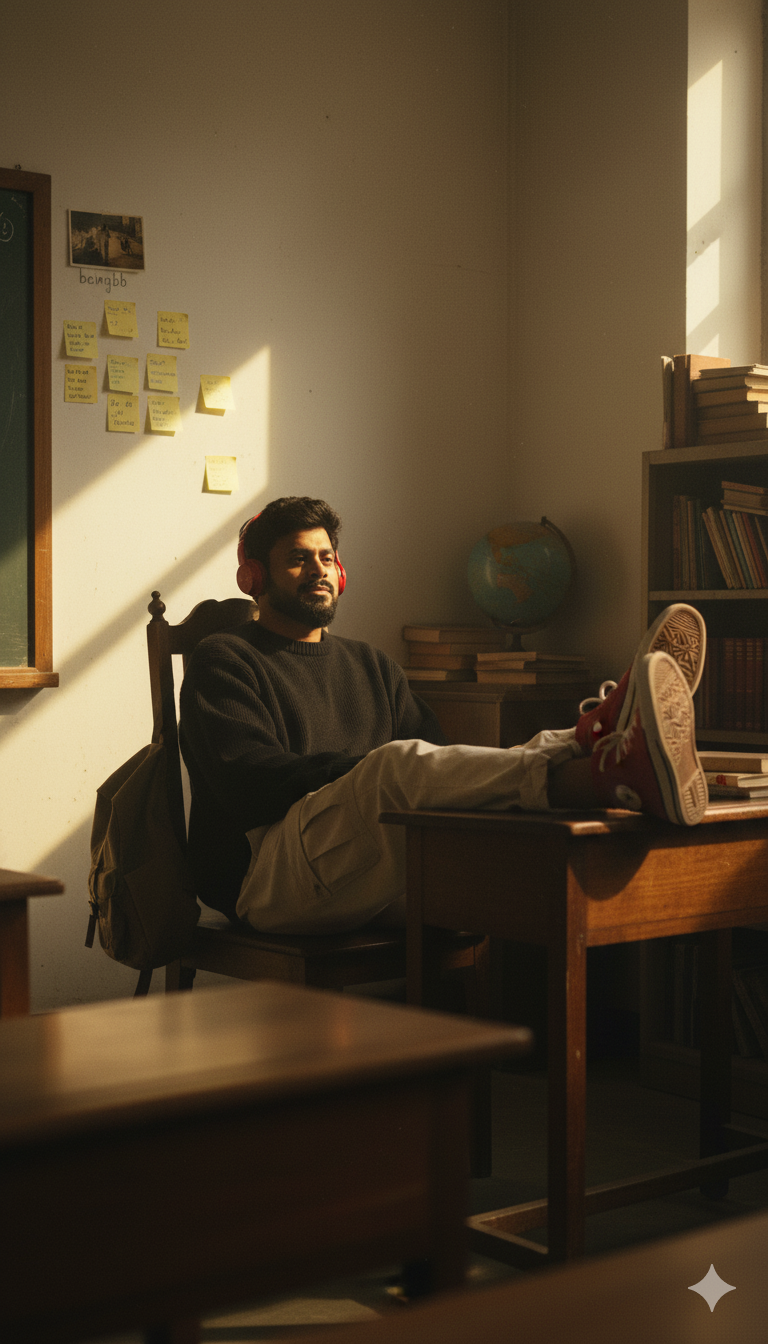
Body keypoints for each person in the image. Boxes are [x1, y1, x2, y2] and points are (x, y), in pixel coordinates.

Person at [179, 496, 708, 935]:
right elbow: (245, 783)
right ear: (254, 577)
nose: (318, 570)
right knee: (397, 766)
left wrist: (395, 778)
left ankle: (594, 747)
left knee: (474, 792)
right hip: (265, 878)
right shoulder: (224, 659)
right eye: (298, 558)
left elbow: (443, 767)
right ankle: (601, 760)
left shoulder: (372, 664)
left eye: (326, 558)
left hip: (373, 868)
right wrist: (365, 776)